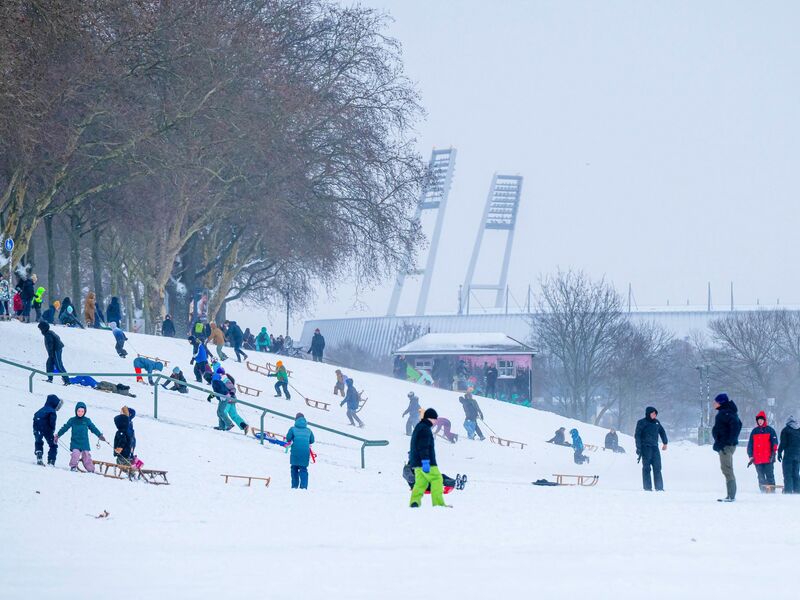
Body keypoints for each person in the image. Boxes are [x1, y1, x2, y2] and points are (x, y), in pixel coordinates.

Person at [409, 408, 447, 508]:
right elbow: (423, 446)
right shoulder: (425, 429)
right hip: (426, 462)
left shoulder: (419, 426)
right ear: (431, 418)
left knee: (421, 483)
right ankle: (438, 503)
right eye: (435, 419)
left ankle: (415, 502)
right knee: (437, 479)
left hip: (416, 462)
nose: (435, 422)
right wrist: (426, 461)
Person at [54, 402, 105, 472]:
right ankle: (73, 467)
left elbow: (93, 428)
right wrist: (58, 435)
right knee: (75, 454)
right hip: (75, 442)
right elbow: (65, 428)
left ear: (84, 412)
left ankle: (91, 469)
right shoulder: (72, 420)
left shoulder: (87, 420)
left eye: (82, 411)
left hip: (84, 443)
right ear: (76, 411)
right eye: (79, 411)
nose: (80, 413)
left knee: (86, 456)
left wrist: (99, 435)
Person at [711, 393, 743, 502]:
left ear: (721, 403)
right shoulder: (727, 412)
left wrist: (728, 441)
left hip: (726, 446)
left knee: (727, 469)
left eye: (715, 401)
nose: (713, 403)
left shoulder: (725, 413)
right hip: (725, 445)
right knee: (727, 469)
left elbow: (737, 425)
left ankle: (731, 496)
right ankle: (729, 495)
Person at [635, 406, 669, 492]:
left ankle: (659, 487)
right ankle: (647, 487)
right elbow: (637, 435)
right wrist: (638, 448)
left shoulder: (657, 423)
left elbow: (662, 432)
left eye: (655, 414)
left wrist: (665, 442)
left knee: (657, 467)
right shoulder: (641, 422)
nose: (655, 415)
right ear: (648, 413)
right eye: (653, 413)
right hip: (645, 448)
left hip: (655, 448)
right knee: (646, 468)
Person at [747, 410, 779, 491]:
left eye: (761, 420)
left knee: (770, 475)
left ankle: (772, 491)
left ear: (764, 420)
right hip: (757, 459)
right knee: (760, 476)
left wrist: (773, 453)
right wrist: (750, 456)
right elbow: (750, 445)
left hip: (768, 458)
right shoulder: (754, 431)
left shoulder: (770, 430)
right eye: (758, 420)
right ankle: (763, 491)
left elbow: (775, 443)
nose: (760, 421)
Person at [286, 412, 315, 489]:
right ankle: (303, 487)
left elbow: (288, 438)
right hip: (305, 452)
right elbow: (312, 440)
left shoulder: (292, 429)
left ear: (296, 420)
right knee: (303, 469)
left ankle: (294, 486)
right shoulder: (309, 430)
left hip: (295, 451)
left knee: (294, 468)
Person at [33, 394, 63, 466]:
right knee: (53, 445)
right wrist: (52, 430)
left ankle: (39, 454)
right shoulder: (52, 411)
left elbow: (35, 419)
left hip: (37, 428)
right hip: (47, 429)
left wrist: (35, 431)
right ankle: (51, 461)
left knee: (38, 441)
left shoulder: (39, 411)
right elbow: (52, 422)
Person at [38, 321, 70, 385]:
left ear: (43, 328)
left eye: (40, 328)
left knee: (58, 365)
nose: (40, 330)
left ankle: (67, 381)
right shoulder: (49, 332)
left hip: (56, 350)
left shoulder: (48, 334)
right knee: (49, 364)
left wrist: (51, 355)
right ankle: (50, 378)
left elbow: (51, 345)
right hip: (54, 351)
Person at [778, 416, 800, 494]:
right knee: (796, 473)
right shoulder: (799, 430)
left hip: (788, 456)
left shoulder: (786, 430)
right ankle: (797, 490)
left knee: (787, 473)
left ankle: (788, 491)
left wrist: (779, 452)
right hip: (798, 456)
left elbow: (783, 443)